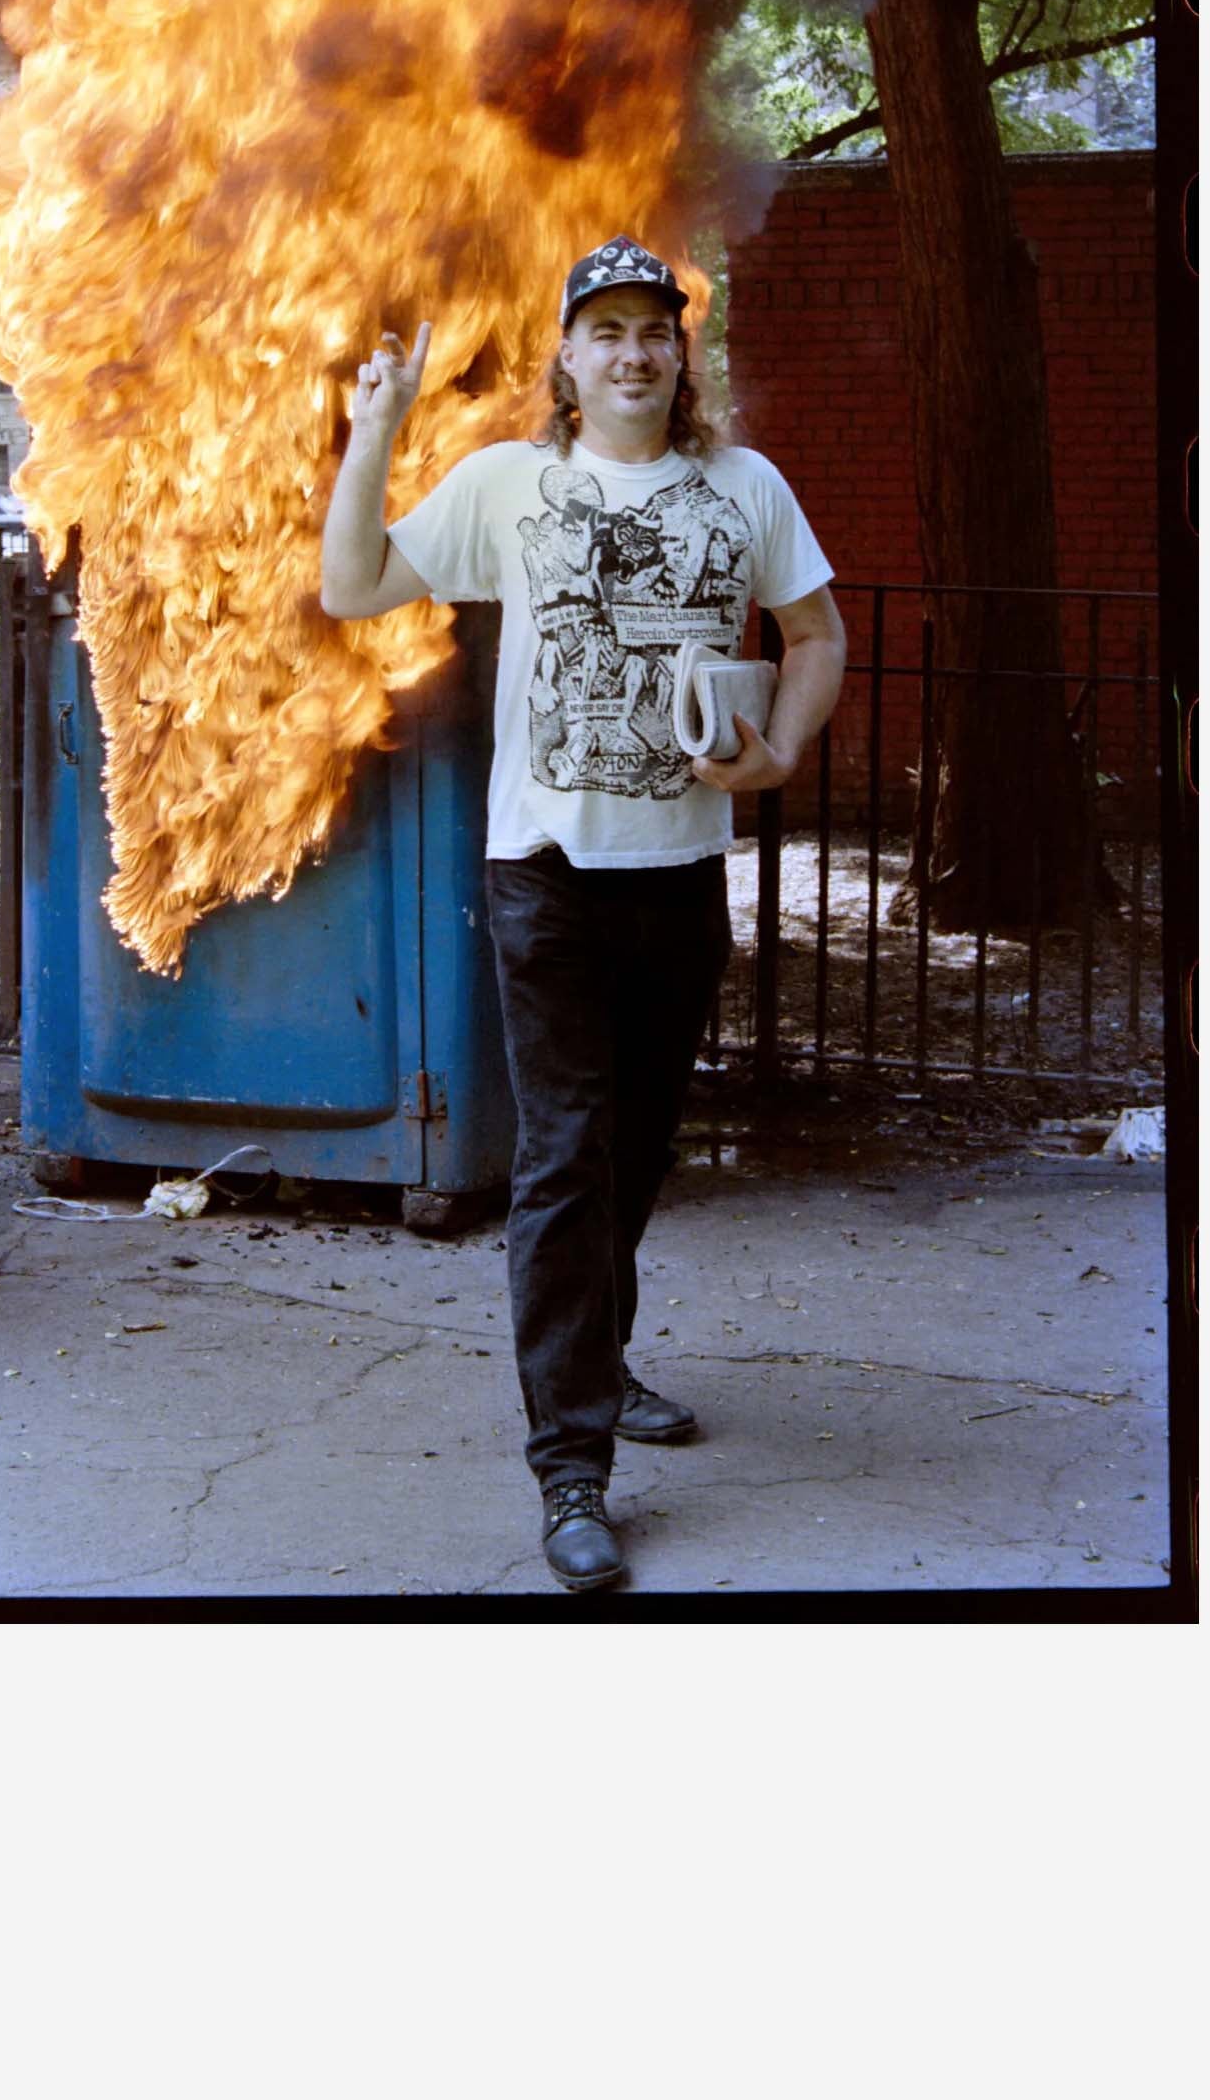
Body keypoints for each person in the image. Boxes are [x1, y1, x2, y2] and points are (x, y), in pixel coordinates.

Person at [321, 236, 846, 1591]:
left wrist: (779, 750)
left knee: (642, 1145)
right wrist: (375, 432)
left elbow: (822, 632)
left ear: (681, 353)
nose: (630, 352)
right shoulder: (511, 486)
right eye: (604, 331)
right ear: (565, 355)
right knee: (566, 1154)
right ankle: (573, 1467)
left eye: (652, 332)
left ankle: (598, 1366)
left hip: (679, 875)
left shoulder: (744, 488)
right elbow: (357, 584)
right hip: (545, 875)